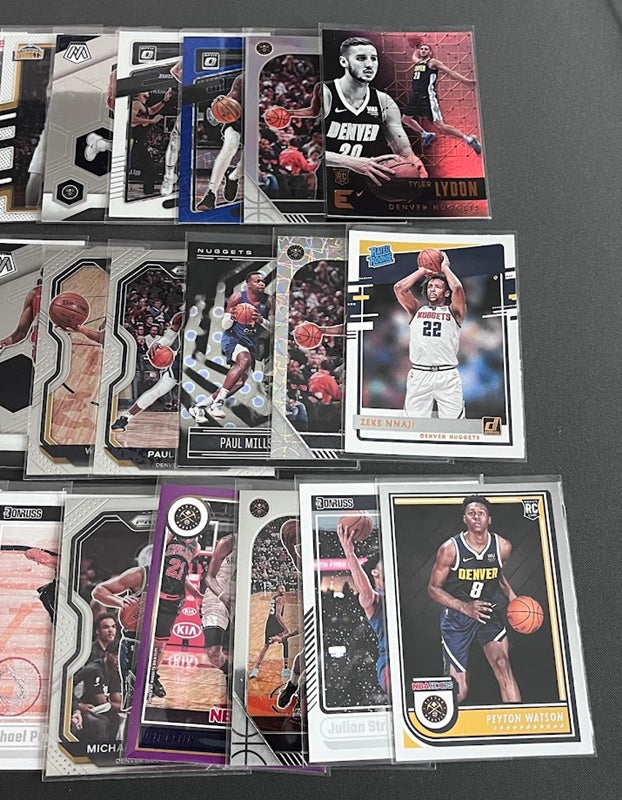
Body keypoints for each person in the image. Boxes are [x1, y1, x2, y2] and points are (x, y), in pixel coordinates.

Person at [294, 37, 427, 186]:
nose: (369, 64)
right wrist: (352, 162)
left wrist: (412, 160)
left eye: (373, 59)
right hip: (329, 185)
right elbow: (307, 151)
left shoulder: (384, 101)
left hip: (371, 183)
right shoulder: (326, 93)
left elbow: (403, 149)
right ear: (344, 61)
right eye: (361, 58)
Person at [427, 495, 521, 704]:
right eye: (471, 513)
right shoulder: (450, 549)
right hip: (457, 617)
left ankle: (517, 722)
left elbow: (497, 577)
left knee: (503, 665)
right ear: (465, 519)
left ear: (489, 519)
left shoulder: (503, 547)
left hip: (487, 613)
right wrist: (464, 607)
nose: (477, 517)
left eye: (481, 513)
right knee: (459, 691)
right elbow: (433, 589)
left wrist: (514, 599)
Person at [393, 250, 467, 418]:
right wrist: (422, 270)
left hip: (447, 375)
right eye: (430, 286)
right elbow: (399, 288)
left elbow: (457, 288)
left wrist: (445, 268)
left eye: (437, 287)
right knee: (414, 426)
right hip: (420, 373)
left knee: (455, 427)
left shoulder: (454, 311)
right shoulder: (416, 309)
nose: (432, 289)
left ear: (446, 293)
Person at [189, 273, 272, 422]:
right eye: (257, 281)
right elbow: (224, 325)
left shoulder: (269, 301)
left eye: (263, 281)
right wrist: (232, 318)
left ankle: (199, 406)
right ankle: (217, 404)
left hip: (251, 343)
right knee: (244, 359)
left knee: (239, 383)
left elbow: (273, 328)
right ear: (248, 284)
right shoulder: (237, 297)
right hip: (233, 338)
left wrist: (261, 320)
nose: (262, 283)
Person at [335, 516, 389, 693]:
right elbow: (366, 593)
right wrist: (349, 553)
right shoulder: (376, 599)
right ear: (375, 573)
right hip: (389, 659)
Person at [402, 42, 482, 154]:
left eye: (426, 49)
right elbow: (414, 56)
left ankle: (469, 139)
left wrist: (467, 81)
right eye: (422, 49)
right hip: (415, 96)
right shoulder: (418, 62)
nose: (423, 51)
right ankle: (426, 134)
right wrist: (416, 47)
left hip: (427, 97)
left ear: (430, 52)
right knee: (405, 119)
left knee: (441, 126)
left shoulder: (432, 62)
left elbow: (450, 72)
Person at [111, 310, 182, 432]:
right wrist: (159, 343)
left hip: (209, 362)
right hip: (183, 361)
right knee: (157, 391)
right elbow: (171, 333)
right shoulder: (185, 316)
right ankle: (126, 417)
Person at [150, 530, 201, 698]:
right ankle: (136, 670)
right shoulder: (170, 535)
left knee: (160, 644)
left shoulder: (195, 547)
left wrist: (196, 594)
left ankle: (152, 676)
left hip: (172, 601)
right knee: (143, 638)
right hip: (155, 594)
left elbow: (183, 576)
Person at [91, 565, 148, 711]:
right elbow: (98, 592)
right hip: (134, 639)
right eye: (106, 627)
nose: (110, 630)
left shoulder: (177, 580)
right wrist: (120, 602)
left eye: (112, 627)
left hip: (156, 638)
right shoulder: (139, 575)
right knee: (129, 700)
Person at [197, 74, 244, 210]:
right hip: (237, 122)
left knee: (249, 161)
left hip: (257, 124)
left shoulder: (272, 82)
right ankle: (211, 194)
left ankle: (233, 176)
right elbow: (231, 97)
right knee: (230, 146)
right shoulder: (243, 79)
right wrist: (219, 103)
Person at [200, 534, 235, 692]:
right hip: (218, 596)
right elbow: (209, 578)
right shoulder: (227, 543)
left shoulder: (258, 542)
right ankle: (229, 672)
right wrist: (224, 597)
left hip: (241, 599)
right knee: (213, 653)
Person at [131, 87, 173, 195]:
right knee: (141, 164)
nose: (148, 91)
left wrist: (164, 101)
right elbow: (131, 119)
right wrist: (151, 121)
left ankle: (148, 191)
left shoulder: (142, 105)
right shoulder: (136, 103)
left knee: (148, 166)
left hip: (140, 140)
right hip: (134, 139)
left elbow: (152, 110)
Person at [249, 585, 294, 680]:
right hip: (276, 624)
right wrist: (286, 628)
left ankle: (255, 669)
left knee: (266, 646)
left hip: (269, 623)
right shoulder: (280, 599)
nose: (283, 590)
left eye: (284, 588)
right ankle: (285, 669)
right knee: (285, 643)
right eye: (281, 588)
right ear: (277, 590)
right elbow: (278, 615)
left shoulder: (274, 598)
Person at [0, 278, 41, 360]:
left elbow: (21, 332)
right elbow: (21, 332)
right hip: (38, 351)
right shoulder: (34, 293)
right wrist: (5, 343)